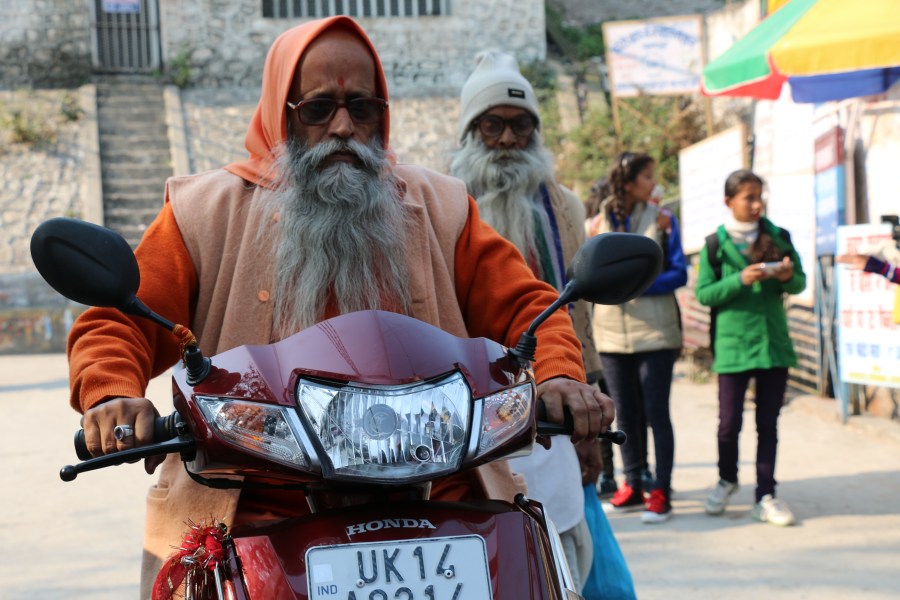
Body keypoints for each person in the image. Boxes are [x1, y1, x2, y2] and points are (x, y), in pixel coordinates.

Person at [65, 17, 615, 596]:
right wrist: (112, 394)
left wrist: (558, 376)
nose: (344, 128)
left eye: (363, 107)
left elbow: (532, 305)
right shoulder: (205, 211)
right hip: (252, 513)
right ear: (283, 114)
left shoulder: (441, 206)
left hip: (443, 503)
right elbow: (119, 317)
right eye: (318, 109)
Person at [449, 49, 602, 591]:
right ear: (471, 132)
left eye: (521, 126)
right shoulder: (439, 205)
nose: (509, 140)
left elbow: (575, 313)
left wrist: (587, 409)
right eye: (493, 126)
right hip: (456, 417)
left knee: (556, 551)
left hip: (546, 403)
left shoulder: (564, 208)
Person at [695, 169, 806, 527]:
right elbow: (704, 293)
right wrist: (739, 279)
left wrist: (787, 276)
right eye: (749, 197)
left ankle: (766, 495)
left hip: (772, 344)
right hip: (732, 346)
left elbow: (800, 282)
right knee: (728, 424)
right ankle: (727, 479)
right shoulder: (714, 244)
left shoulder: (779, 237)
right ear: (729, 202)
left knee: (767, 423)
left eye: (760, 197)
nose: (757, 204)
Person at [591, 152, 686, 524]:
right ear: (628, 182)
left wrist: (637, 286)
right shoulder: (600, 220)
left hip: (656, 332)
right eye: (647, 177)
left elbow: (678, 272)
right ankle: (631, 484)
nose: (654, 184)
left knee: (656, 413)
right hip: (612, 333)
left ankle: (661, 489)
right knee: (624, 413)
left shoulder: (663, 219)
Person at [586, 177, 655, 498]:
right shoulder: (593, 229)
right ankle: (615, 475)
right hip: (603, 335)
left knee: (628, 408)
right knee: (609, 409)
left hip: (639, 335)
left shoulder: (657, 219)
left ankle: (635, 473)